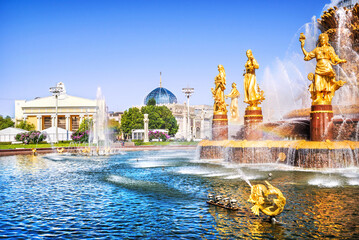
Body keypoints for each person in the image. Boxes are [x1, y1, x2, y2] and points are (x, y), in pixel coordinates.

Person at [299, 32, 346, 104]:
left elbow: (335, 57)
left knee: (327, 83)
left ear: (326, 40)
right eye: (320, 39)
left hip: (327, 67)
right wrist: (302, 47)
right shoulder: (317, 49)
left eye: (323, 38)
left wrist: (340, 60)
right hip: (319, 67)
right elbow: (308, 55)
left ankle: (326, 96)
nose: (322, 40)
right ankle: (318, 97)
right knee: (317, 82)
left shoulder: (330, 48)